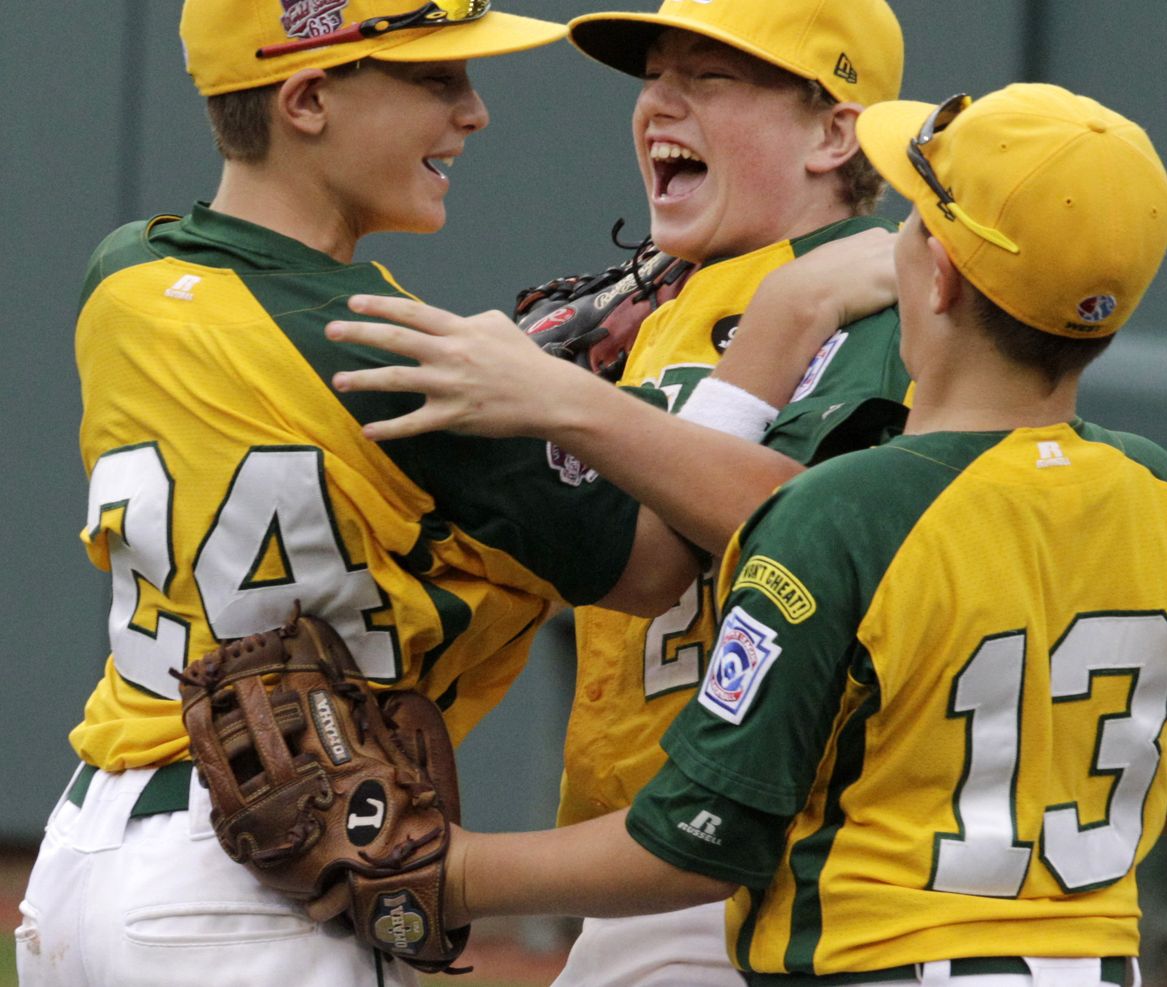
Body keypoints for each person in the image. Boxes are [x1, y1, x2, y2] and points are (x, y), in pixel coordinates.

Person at [333, 81, 1167, 986]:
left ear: (936, 275)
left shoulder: (843, 511)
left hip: (881, 962)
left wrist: (457, 869)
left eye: (909, 222)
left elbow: (696, 839)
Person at [12, 3, 705, 985]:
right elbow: (655, 568)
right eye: (436, 79)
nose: (474, 112)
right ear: (305, 98)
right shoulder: (408, 365)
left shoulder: (125, 272)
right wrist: (580, 407)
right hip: (260, 881)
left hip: (87, 855)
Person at [332, 1, 910, 981]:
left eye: (711, 78)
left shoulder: (871, 304)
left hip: (796, 862)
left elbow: (822, 546)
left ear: (833, 130)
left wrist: (562, 403)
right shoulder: (655, 312)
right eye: (654, 75)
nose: (659, 103)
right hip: (651, 853)